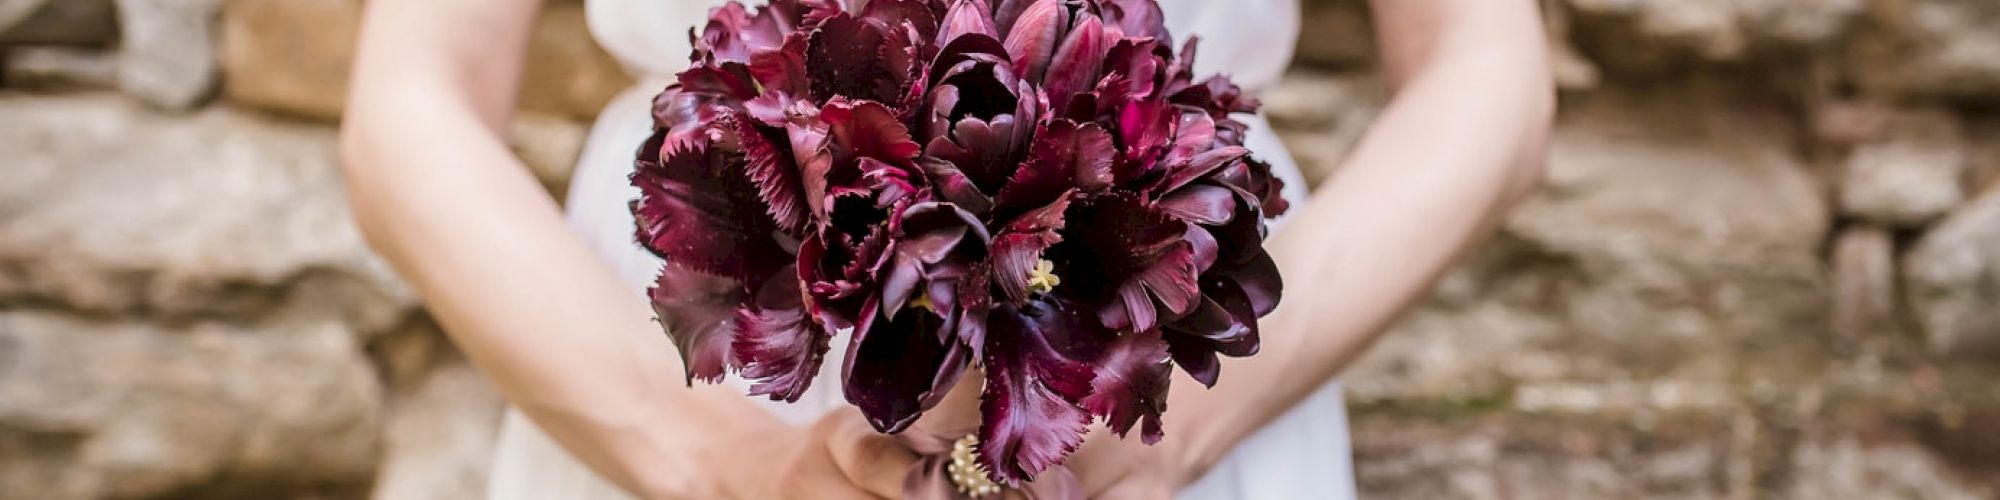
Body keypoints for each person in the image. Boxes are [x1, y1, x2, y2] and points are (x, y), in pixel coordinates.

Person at [339, 0, 1551, 498]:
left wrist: (1182, 431)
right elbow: (412, 102)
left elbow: (1484, 73)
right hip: (670, 371)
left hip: (1160, 376)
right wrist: (720, 461)